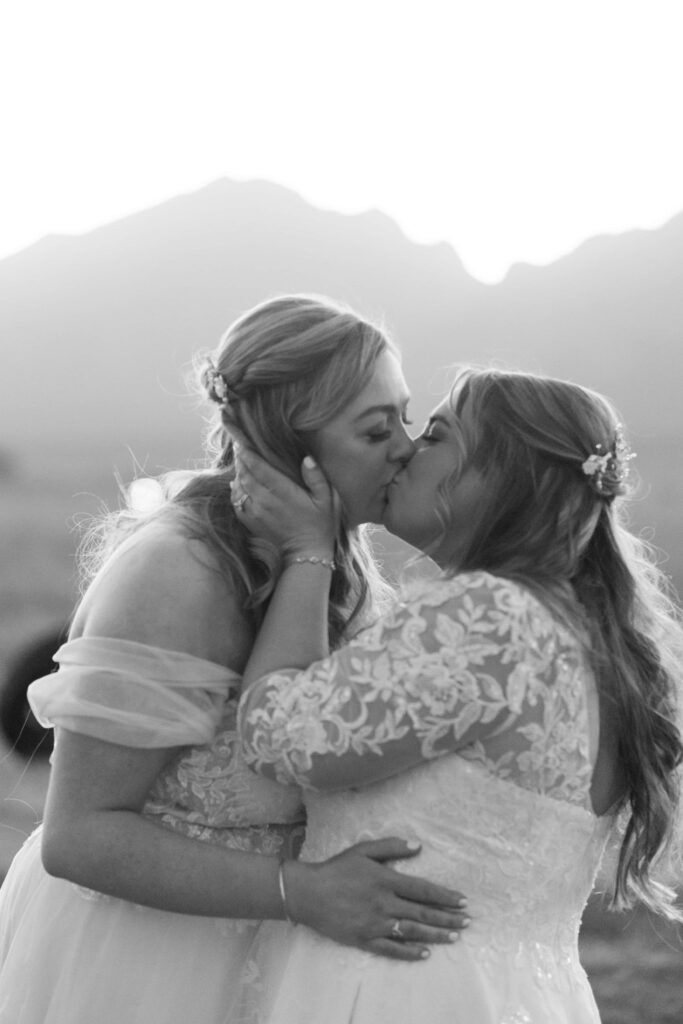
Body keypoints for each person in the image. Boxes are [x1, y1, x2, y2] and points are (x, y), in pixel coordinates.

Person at [0, 296, 469, 1024]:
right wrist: (297, 891)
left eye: (405, 418)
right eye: (377, 429)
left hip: (286, 950)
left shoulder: (331, 554)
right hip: (143, 963)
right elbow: (80, 837)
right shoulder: (175, 573)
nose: (404, 447)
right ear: (289, 445)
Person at [232, 366, 683, 1024]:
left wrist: (307, 551)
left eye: (437, 435)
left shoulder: (487, 618)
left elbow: (277, 735)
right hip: (529, 998)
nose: (407, 451)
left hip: (399, 994)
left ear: (498, 478)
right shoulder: (598, 638)